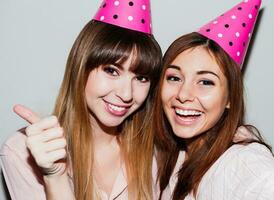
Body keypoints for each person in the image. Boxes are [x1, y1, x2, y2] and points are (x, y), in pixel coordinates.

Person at [0, 0, 162, 199]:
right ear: (80, 68)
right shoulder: (23, 151)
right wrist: (55, 177)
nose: (127, 94)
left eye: (141, 78)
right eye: (111, 71)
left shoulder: (159, 154)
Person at [149, 0, 274, 199]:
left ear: (230, 98)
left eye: (205, 82)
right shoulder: (173, 151)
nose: (183, 94)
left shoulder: (240, 161)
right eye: (174, 78)